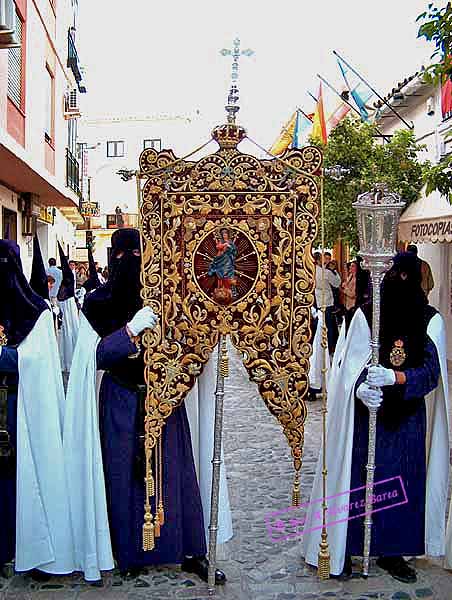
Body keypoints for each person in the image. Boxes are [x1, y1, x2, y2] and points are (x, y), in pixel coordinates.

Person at [64, 229, 229, 583]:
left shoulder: (169, 297)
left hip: (165, 400)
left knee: (177, 474)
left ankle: (188, 549)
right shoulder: (97, 303)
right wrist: (129, 332)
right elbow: (95, 357)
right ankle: (129, 552)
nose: (133, 264)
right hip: (122, 398)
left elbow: (191, 346)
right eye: (127, 257)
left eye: (141, 256)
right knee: (123, 477)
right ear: (116, 259)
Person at [302, 252, 449, 582]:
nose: (398, 284)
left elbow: (430, 373)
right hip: (368, 417)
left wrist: (396, 379)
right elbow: (345, 369)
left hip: (407, 420)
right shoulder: (367, 315)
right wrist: (358, 389)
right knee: (361, 483)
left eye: (403, 278)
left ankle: (393, 552)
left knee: (401, 485)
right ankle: (350, 546)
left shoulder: (430, 320)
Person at [0, 240, 76, 579]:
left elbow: (34, 361)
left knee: (20, 477)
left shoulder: (37, 313)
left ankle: (30, 547)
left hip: (22, 406)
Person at [57, 243, 79, 373]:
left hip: (68, 304)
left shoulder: (68, 277)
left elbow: (62, 295)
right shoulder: (68, 276)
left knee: (69, 330)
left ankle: (68, 359)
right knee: (69, 330)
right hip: (68, 304)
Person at [315, 253, 341, 354]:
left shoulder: (312, 271)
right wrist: (334, 270)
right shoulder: (326, 272)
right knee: (329, 325)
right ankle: (330, 347)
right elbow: (337, 283)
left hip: (317, 301)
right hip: (327, 301)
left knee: (319, 324)